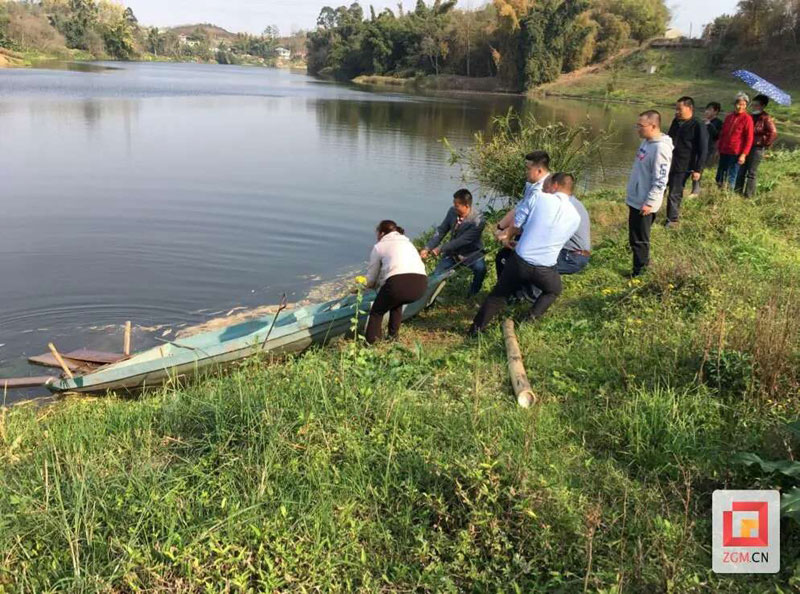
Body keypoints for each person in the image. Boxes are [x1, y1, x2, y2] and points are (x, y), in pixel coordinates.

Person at [469, 154, 580, 335]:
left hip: (521, 262)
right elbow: (557, 238)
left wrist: (508, 237)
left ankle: (475, 331)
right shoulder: (575, 216)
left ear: (555, 185)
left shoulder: (540, 197)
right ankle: (528, 322)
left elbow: (519, 222)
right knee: (553, 290)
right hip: (545, 269)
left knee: (498, 295)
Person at [495, 173, 591, 300]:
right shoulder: (567, 202)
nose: (544, 193)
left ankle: (524, 297)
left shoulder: (565, 207)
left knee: (525, 262)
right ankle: (516, 295)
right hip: (566, 251)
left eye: (545, 189)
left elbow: (537, 229)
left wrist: (507, 234)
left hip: (572, 256)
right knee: (512, 254)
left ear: (554, 186)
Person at [364, 220, 428, 344]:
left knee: (377, 311)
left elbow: (371, 278)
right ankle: (393, 338)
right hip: (421, 284)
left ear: (382, 233)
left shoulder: (379, 246)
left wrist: (361, 287)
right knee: (396, 303)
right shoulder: (408, 243)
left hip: (398, 283)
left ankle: (371, 343)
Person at [626, 110, 673, 277]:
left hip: (645, 203)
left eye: (641, 126)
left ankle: (640, 273)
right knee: (634, 237)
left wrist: (650, 202)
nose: (638, 129)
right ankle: (638, 268)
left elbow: (661, 179)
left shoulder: (661, 148)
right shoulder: (646, 142)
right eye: (637, 125)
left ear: (653, 126)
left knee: (640, 239)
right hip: (636, 198)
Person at [420, 189, 486, 296]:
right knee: (437, 276)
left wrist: (441, 248)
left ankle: (473, 294)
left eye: (457, 205)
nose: (454, 207)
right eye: (454, 204)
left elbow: (463, 240)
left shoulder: (478, 220)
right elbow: (441, 230)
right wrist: (428, 247)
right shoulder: (452, 212)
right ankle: (430, 297)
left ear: (466, 206)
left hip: (472, 253)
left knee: (480, 269)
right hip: (452, 253)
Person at [665, 96, 708, 226]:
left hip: (684, 164)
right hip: (669, 161)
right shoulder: (676, 122)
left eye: (680, 109)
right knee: (662, 188)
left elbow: (703, 149)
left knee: (675, 192)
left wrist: (698, 169)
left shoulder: (698, 125)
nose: (677, 112)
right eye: (676, 109)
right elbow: (669, 139)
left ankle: (672, 220)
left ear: (690, 108)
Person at [735, 94, 778, 197]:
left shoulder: (766, 118)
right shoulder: (750, 116)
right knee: (741, 170)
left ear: (763, 106)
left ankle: (749, 195)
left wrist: (764, 143)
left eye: (756, 105)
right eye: (753, 105)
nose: (754, 107)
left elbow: (773, 133)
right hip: (746, 147)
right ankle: (737, 192)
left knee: (751, 172)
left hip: (756, 148)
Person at [716, 92, 754, 191]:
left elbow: (749, 138)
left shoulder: (747, 119)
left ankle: (727, 195)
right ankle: (717, 193)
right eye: (739, 104)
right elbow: (723, 134)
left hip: (736, 152)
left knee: (731, 176)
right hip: (724, 150)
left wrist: (744, 154)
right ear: (734, 104)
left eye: (743, 105)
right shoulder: (729, 117)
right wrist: (718, 148)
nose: (740, 107)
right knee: (720, 175)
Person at [690, 101, 723, 196]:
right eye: (706, 109)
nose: (707, 112)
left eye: (710, 110)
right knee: (696, 167)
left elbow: (717, 136)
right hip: (699, 147)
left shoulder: (718, 122)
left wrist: (710, 125)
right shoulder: (702, 122)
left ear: (716, 111)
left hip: (710, 149)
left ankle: (696, 190)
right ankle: (695, 188)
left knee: (700, 168)